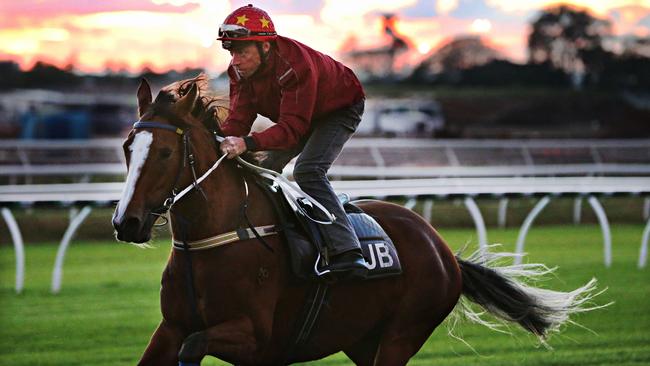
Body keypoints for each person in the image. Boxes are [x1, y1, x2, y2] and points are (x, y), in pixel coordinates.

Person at [217, 4, 368, 279]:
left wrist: (246, 143)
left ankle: (348, 251)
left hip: (340, 108)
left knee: (308, 170)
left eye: (242, 52)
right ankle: (280, 233)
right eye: (231, 52)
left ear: (265, 47)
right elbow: (239, 120)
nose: (235, 60)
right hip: (301, 115)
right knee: (262, 169)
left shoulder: (294, 65)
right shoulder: (239, 72)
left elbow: (292, 130)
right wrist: (222, 140)